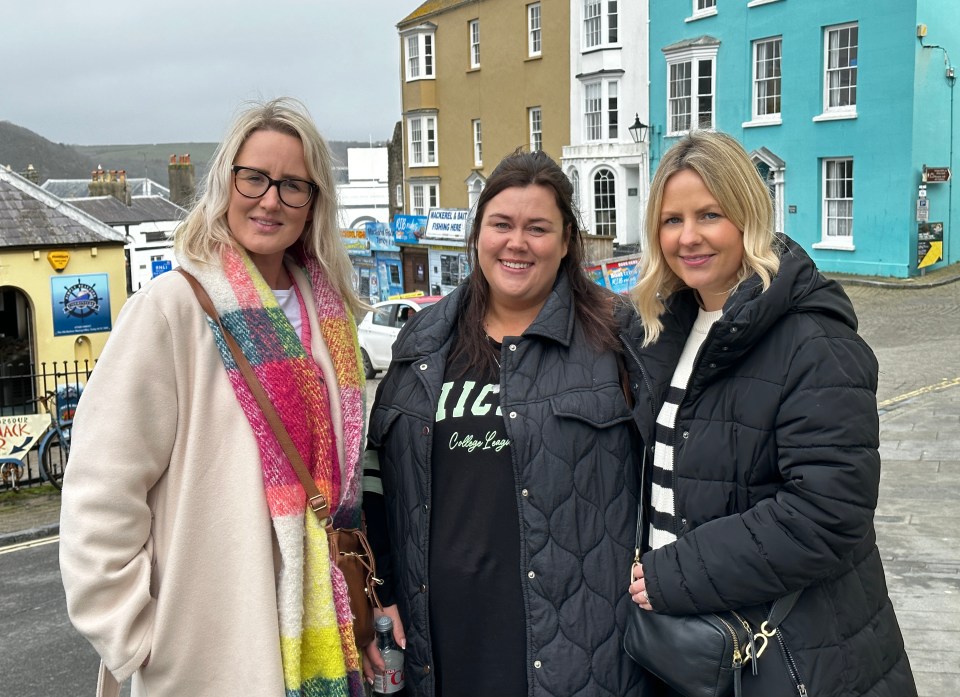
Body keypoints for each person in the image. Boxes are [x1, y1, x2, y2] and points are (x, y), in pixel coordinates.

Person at [59, 98, 370, 697]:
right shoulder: (171, 309)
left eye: (293, 185)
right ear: (226, 181)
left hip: (319, 638)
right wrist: (140, 637)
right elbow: (100, 492)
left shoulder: (331, 315)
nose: (271, 199)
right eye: (253, 177)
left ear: (315, 203)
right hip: (209, 654)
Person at [623, 130, 917, 696]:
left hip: (789, 654)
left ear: (747, 215)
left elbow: (828, 513)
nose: (688, 238)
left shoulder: (815, 341)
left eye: (709, 214)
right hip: (687, 643)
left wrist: (672, 574)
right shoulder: (665, 329)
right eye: (671, 219)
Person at [361, 150, 651, 696]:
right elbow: (379, 477)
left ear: (566, 242)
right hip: (441, 645)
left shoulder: (614, 336)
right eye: (502, 224)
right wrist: (384, 593)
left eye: (537, 228)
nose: (517, 243)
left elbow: (669, 466)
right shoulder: (423, 341)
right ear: (478, 235)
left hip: (575, 646)